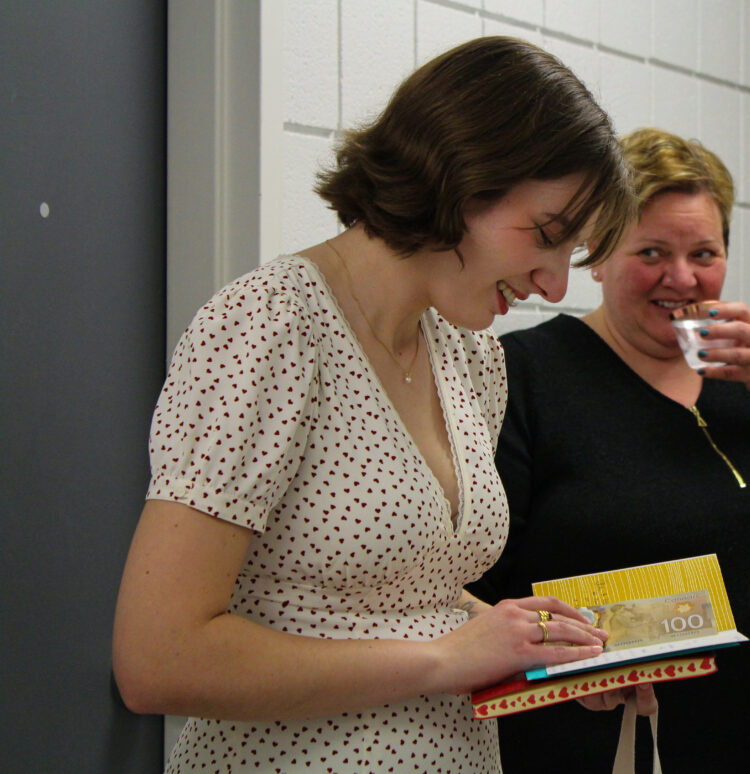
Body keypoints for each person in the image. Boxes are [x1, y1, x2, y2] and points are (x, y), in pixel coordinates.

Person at [112, 36, 636, 773]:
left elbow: (402, 598)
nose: (553, 285)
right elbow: (157, 659)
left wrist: (534, 649)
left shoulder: (469, 354)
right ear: (460, 174)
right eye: (547, 237)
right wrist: (446, 659)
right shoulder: (273, 326)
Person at [468, 127, 750, 773]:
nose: (682, 278)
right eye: (652, 251)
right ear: (596, 256)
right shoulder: (528, 376)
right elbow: (475, 584)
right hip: (633, 752)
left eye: (705, 253)